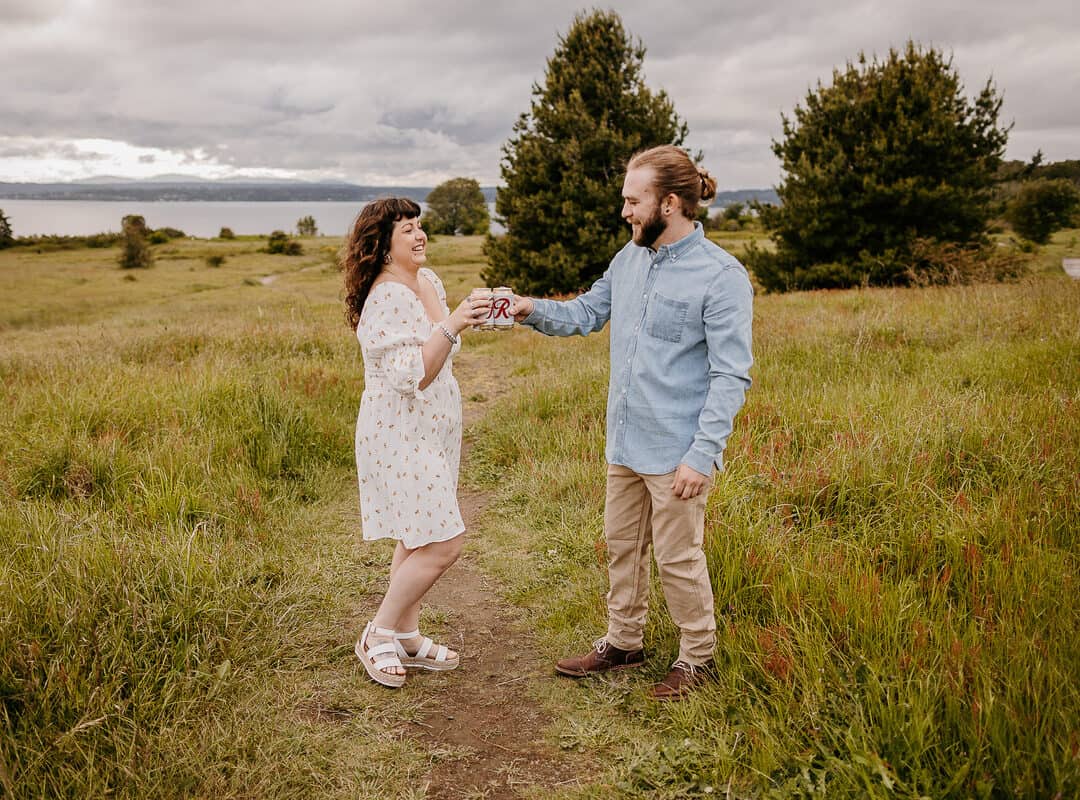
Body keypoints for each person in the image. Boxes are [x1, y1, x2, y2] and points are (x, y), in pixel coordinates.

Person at [511, 146, 754, 700]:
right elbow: (587, 314)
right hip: (625, 440)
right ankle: (624, 642)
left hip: (677, 452)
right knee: (622, 546)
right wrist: (529, 308)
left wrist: (702, 454)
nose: (624, 210)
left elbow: (730, 375)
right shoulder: (629, 259)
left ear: (669, 204)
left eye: (632, 200)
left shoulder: (721, 276)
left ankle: (698, 659)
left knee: (678, 558)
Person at [342, 197, 491, 688]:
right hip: (399, 432)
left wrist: (468, 317)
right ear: (383, 246)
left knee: (418, 531)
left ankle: (406, 634)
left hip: (434, 429)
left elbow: (440, 347)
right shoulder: (386, 296)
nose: (418, 234)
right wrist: (455, 322)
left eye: (418, 225)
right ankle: (378, 631)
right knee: (445, 540)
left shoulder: (427, 283)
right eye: (405, 229)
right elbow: (413, 376)